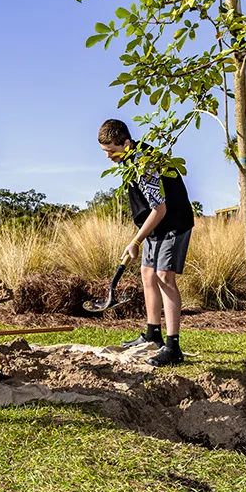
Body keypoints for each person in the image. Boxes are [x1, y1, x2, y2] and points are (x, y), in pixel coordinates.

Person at [97, 119, 194, 367]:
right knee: (147, 274)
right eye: (105, 151)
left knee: (164, 277)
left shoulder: (144, 164)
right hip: (155, 224)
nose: (108, 156)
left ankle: (173, 347)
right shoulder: (130, 161)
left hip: (173, 222)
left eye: (111, 151)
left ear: (126, 143)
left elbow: (160, 209)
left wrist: (136, 241)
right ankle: (153, 335)